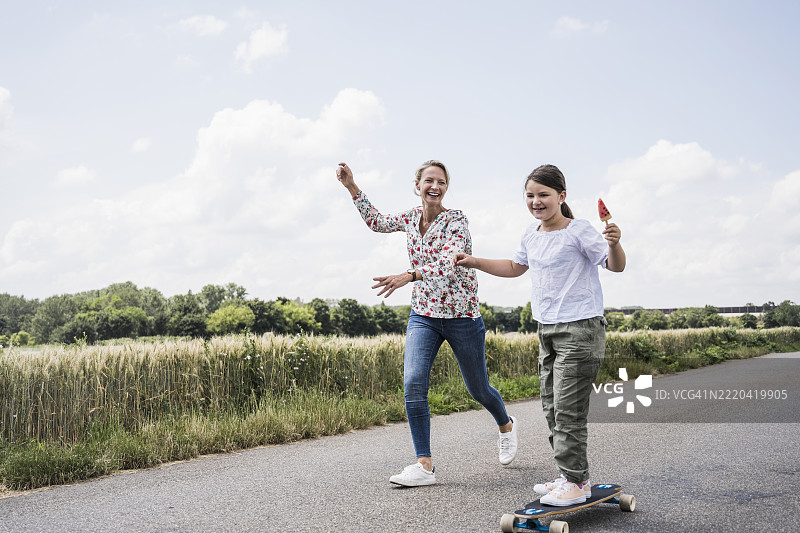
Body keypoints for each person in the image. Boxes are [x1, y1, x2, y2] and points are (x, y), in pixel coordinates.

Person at [336, 160, 518, 487]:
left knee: (478, 389)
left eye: (441, 182)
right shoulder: (409, 218)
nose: (435, 186)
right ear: (417, 185)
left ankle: (505, 424)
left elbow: (447, 264)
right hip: (424, 315)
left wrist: (409, 275)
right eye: (429, 181)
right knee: (413, 381)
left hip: (462, 316)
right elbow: (376, 222)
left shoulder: (456, 221)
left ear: (446, 188)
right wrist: (352, 187)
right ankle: (424, 464)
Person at [454, 164, 625, 506]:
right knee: (550, 406)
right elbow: (516, 267)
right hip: (546, 329)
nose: (536, 201)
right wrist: (474, 261)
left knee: (567, 409)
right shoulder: (531, 235)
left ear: (561, 197)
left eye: (543, 195)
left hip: (580, 329)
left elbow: (615, 265)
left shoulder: (581, 230)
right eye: (530, 195)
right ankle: (571, 476)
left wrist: (616, 244)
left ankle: (576, 482)